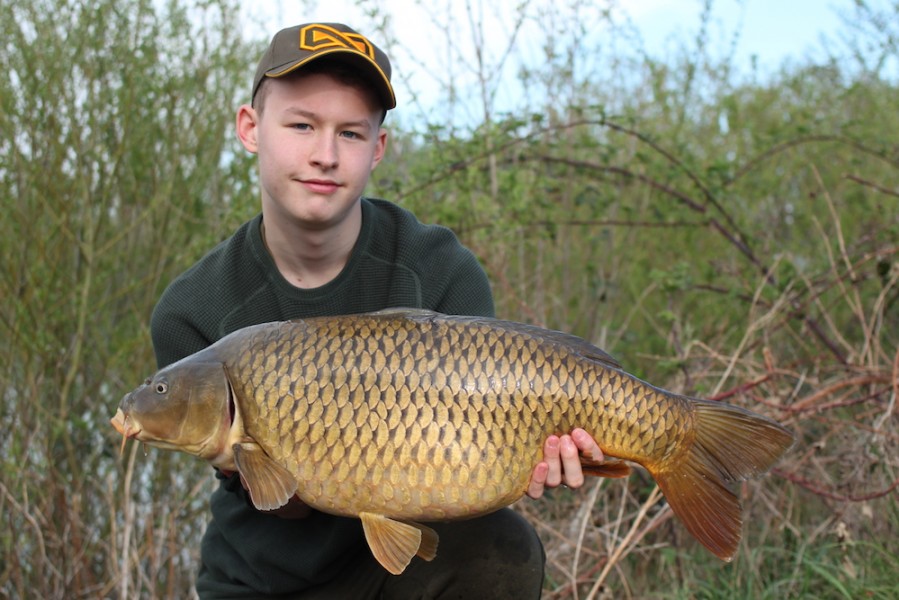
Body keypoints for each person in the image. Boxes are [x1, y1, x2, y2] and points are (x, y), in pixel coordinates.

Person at [150, 22, 603, 599]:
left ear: (378, 149)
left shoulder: (440, 271)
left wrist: (530, 460)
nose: (325, 155)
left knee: (504, 546)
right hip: (257, 581)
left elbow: (473, 472)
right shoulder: (192, 309)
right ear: (250, 129)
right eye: (301, 125)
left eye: (351, 133)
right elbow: (273, 502)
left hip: (404, 569)